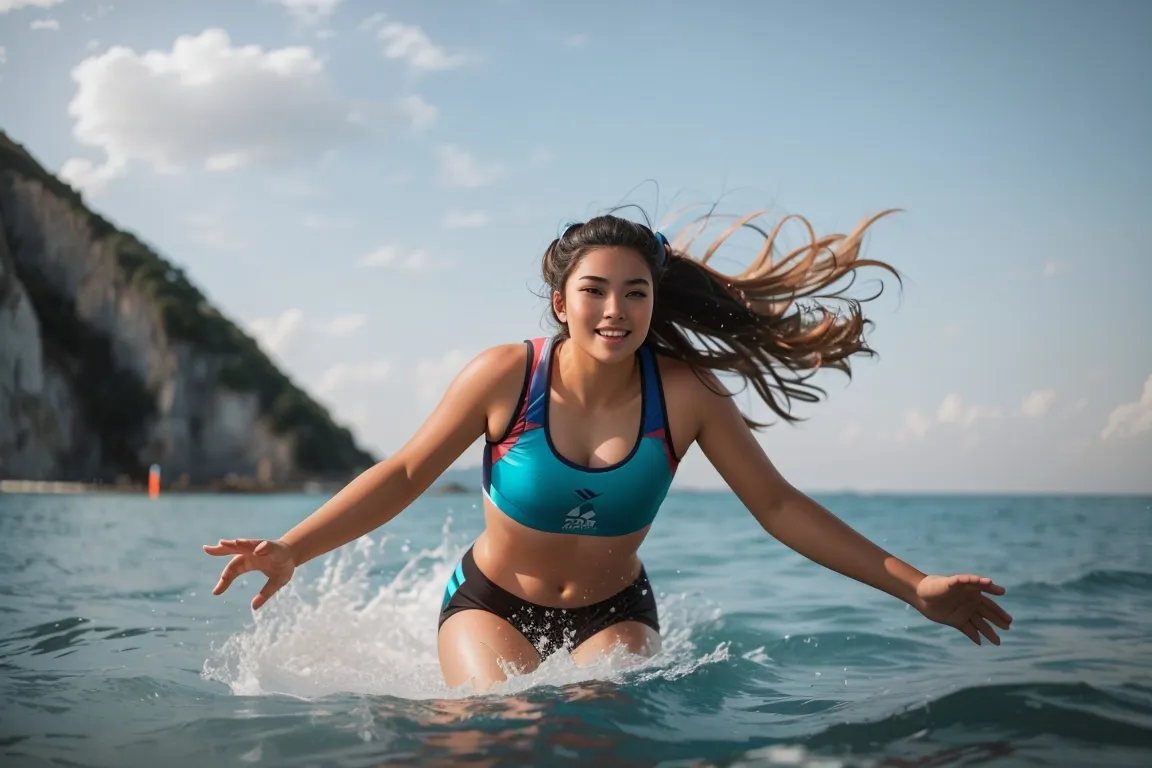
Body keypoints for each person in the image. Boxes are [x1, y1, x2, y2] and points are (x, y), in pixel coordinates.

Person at [204, 209, 1013, 692]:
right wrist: (291, 548)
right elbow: (409, 471)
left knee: (599, 728)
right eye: (594, 290)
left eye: (636, 292)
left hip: (614, 613)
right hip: (489, 602)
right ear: (562, 300)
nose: (614, 309)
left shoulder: (687, 396)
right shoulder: (504, 375)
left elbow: (778, 505)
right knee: (504, 727)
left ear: (655, 303)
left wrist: (916, 588)